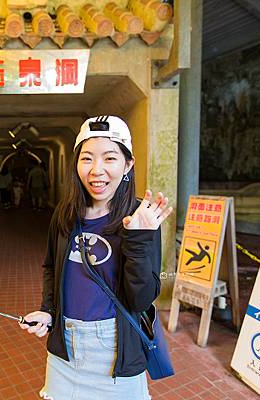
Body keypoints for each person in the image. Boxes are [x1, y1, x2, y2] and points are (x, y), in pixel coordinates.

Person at [19, 115, 173, 400]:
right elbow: (52, 267)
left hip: (116, 349)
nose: (96, 170)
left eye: (110, 158)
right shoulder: (65, 213)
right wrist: (48, 311)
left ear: (128, 165)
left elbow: (141, 299)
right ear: (76, 164)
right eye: (87, 158)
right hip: (66, 345)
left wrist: (139, 238)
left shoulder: (142, 217)